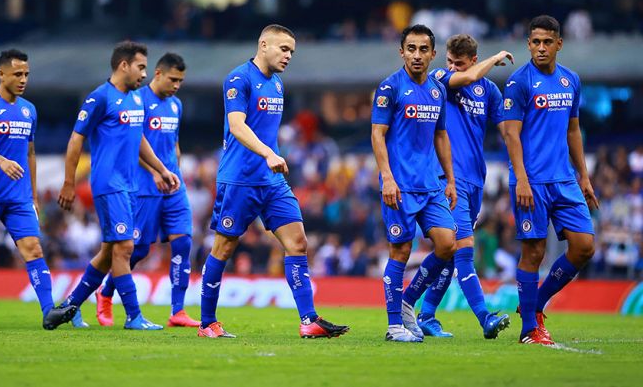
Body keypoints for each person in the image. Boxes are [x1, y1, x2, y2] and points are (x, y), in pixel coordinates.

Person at [201, 24, 349, 339]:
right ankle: (207, 323)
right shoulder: (238, 79)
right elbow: (237, 126)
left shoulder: (278, 84)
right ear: (264, 44)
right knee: (224, 247)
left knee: (298, 242)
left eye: (292, 51)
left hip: (272, 180)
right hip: (240, 179)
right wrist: (269, 153)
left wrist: (272, 159)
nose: (288, 56)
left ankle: (309, 320)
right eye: (283, 49)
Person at [56, 41, 180, 330]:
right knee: (125, 247)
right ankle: (134, 316)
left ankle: (72, 304)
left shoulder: (136, 99)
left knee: (110, 250)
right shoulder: (99, 98)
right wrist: (68, 182)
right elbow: (76, 139)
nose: (144, 74)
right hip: (108, 184)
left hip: (129, 185)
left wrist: (161, 169)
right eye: (140, 67)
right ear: (123, 65)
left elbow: (138, 140)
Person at [0, 49, 76, 329]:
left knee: (33, 248)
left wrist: (32, 195)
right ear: (1, 74)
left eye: (26, 75)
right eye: (18, 74)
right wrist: (2, 161)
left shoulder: (29, 110)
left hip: (19, 197)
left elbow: (30, 153)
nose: (23, 79)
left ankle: (48, 312)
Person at [501, 15, 598, 345]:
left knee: (584, 246)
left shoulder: (571, 80)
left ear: (559, 43)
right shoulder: (518, 82)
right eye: (535, 42)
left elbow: (573, 130)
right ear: (528, 44)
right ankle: (529, 329)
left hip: (565, 180)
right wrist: (522, 180)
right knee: (534, 252)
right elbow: (511, 135)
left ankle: (536, 304)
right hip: (532, 182)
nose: (541, 48)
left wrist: (584, 175)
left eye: (547, 42)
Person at [415, 34, 513, 338]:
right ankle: (485, 318)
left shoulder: (489, 92)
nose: (452, 67)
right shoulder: (440, 78)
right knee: (463, 251)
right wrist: (495, 59)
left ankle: (426, 314)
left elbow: (508, 130)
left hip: (475, 181)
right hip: (448, 180)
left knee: (448, 254)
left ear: (472, 58)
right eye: (450, 61)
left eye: (459, 62)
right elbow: (468, 77)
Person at [95, 52, 199, 328]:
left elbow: (173, 144)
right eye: (173, 79)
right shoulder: (138, 100)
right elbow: (132, 143)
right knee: (137, 250)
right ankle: (105, 293)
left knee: (183, 242)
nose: (177, 86)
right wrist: (154, 171)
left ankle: (177, 311)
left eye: (181, 81)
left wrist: (176, 171)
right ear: (158, 74)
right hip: (143, 187)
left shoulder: (176, 105)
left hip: (173, 186)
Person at [370, 24, 457, 343]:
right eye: (411, 49)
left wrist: (450, 178)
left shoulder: (438, 90)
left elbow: (441, 135)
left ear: (433, 54)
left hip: (431, 185)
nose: (417, 55)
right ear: (402, 52)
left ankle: (408, 300)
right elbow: (377, 134)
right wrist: (388, 178)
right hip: (400, 186)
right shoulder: (389, 88)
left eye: (423, 49)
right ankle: (395, 326)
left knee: (448, 244)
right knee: (401, 250)